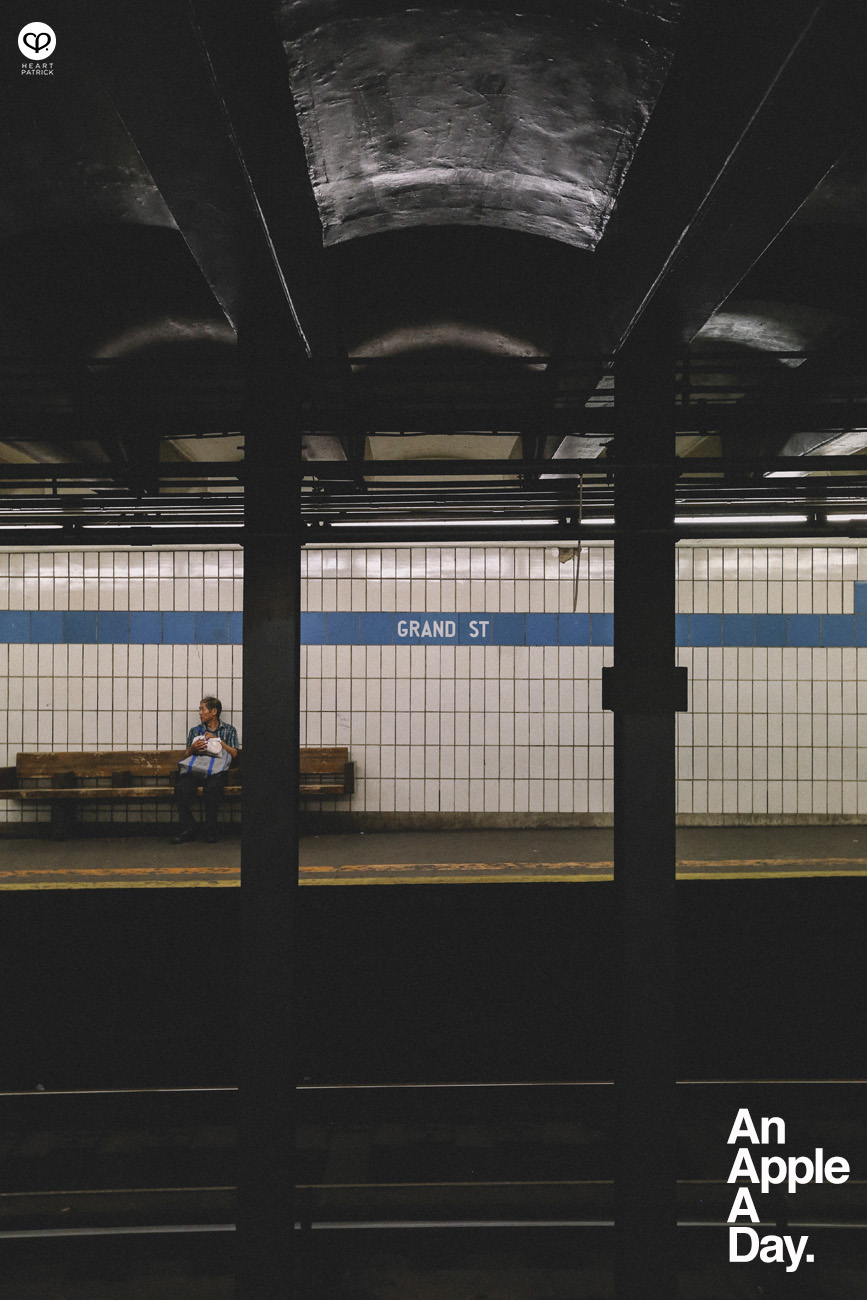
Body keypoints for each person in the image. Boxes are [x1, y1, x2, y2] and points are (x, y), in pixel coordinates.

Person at [171, 696, 239, 844]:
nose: (200, 713)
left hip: (216, 770)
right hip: (196, 770)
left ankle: (211, 829)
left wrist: (218, 741)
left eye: (203, 709)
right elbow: (186, 755)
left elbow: (234, 753)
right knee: (181, 788)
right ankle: (188, 828)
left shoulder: (229, 730)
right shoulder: (195, 731)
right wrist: (193, 748)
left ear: (213, 711)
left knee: (213, 789)